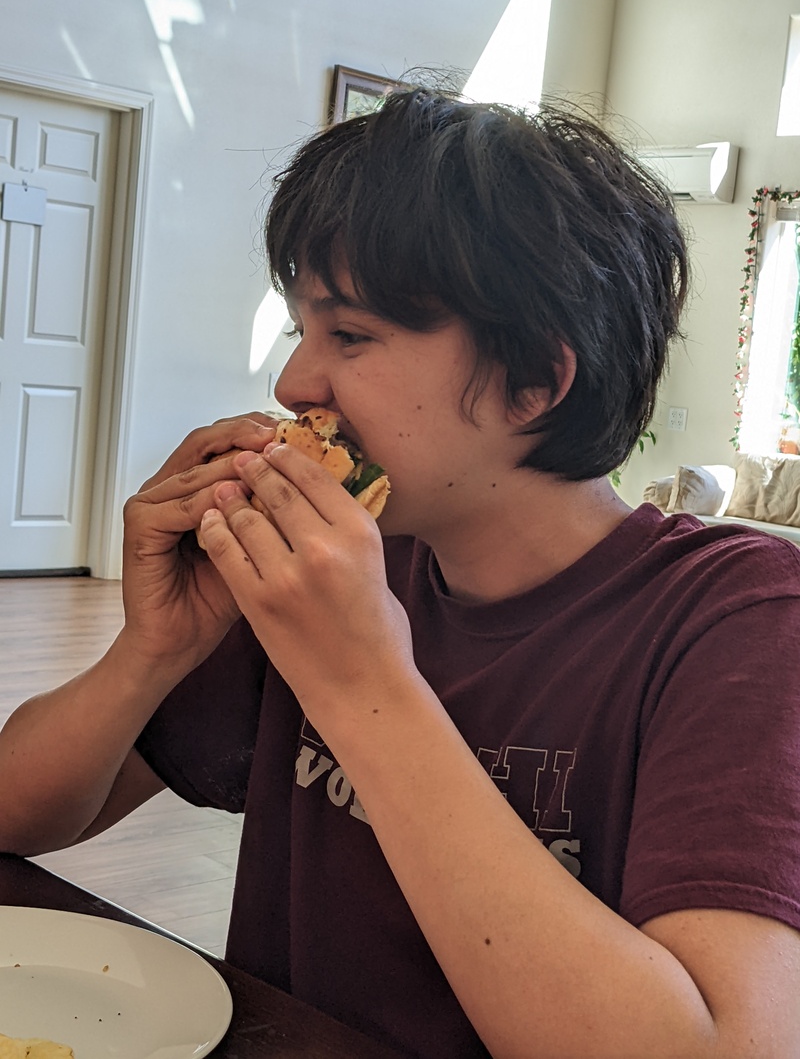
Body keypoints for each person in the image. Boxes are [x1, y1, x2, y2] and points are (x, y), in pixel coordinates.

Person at [2, 88, 800, 1059]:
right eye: (300, 330)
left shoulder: (737, 618)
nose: (294, 385)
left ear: (534, 382)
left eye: (350, 335)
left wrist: (359, 680)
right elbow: (13, 815)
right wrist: (154, 649)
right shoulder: (341, 568)